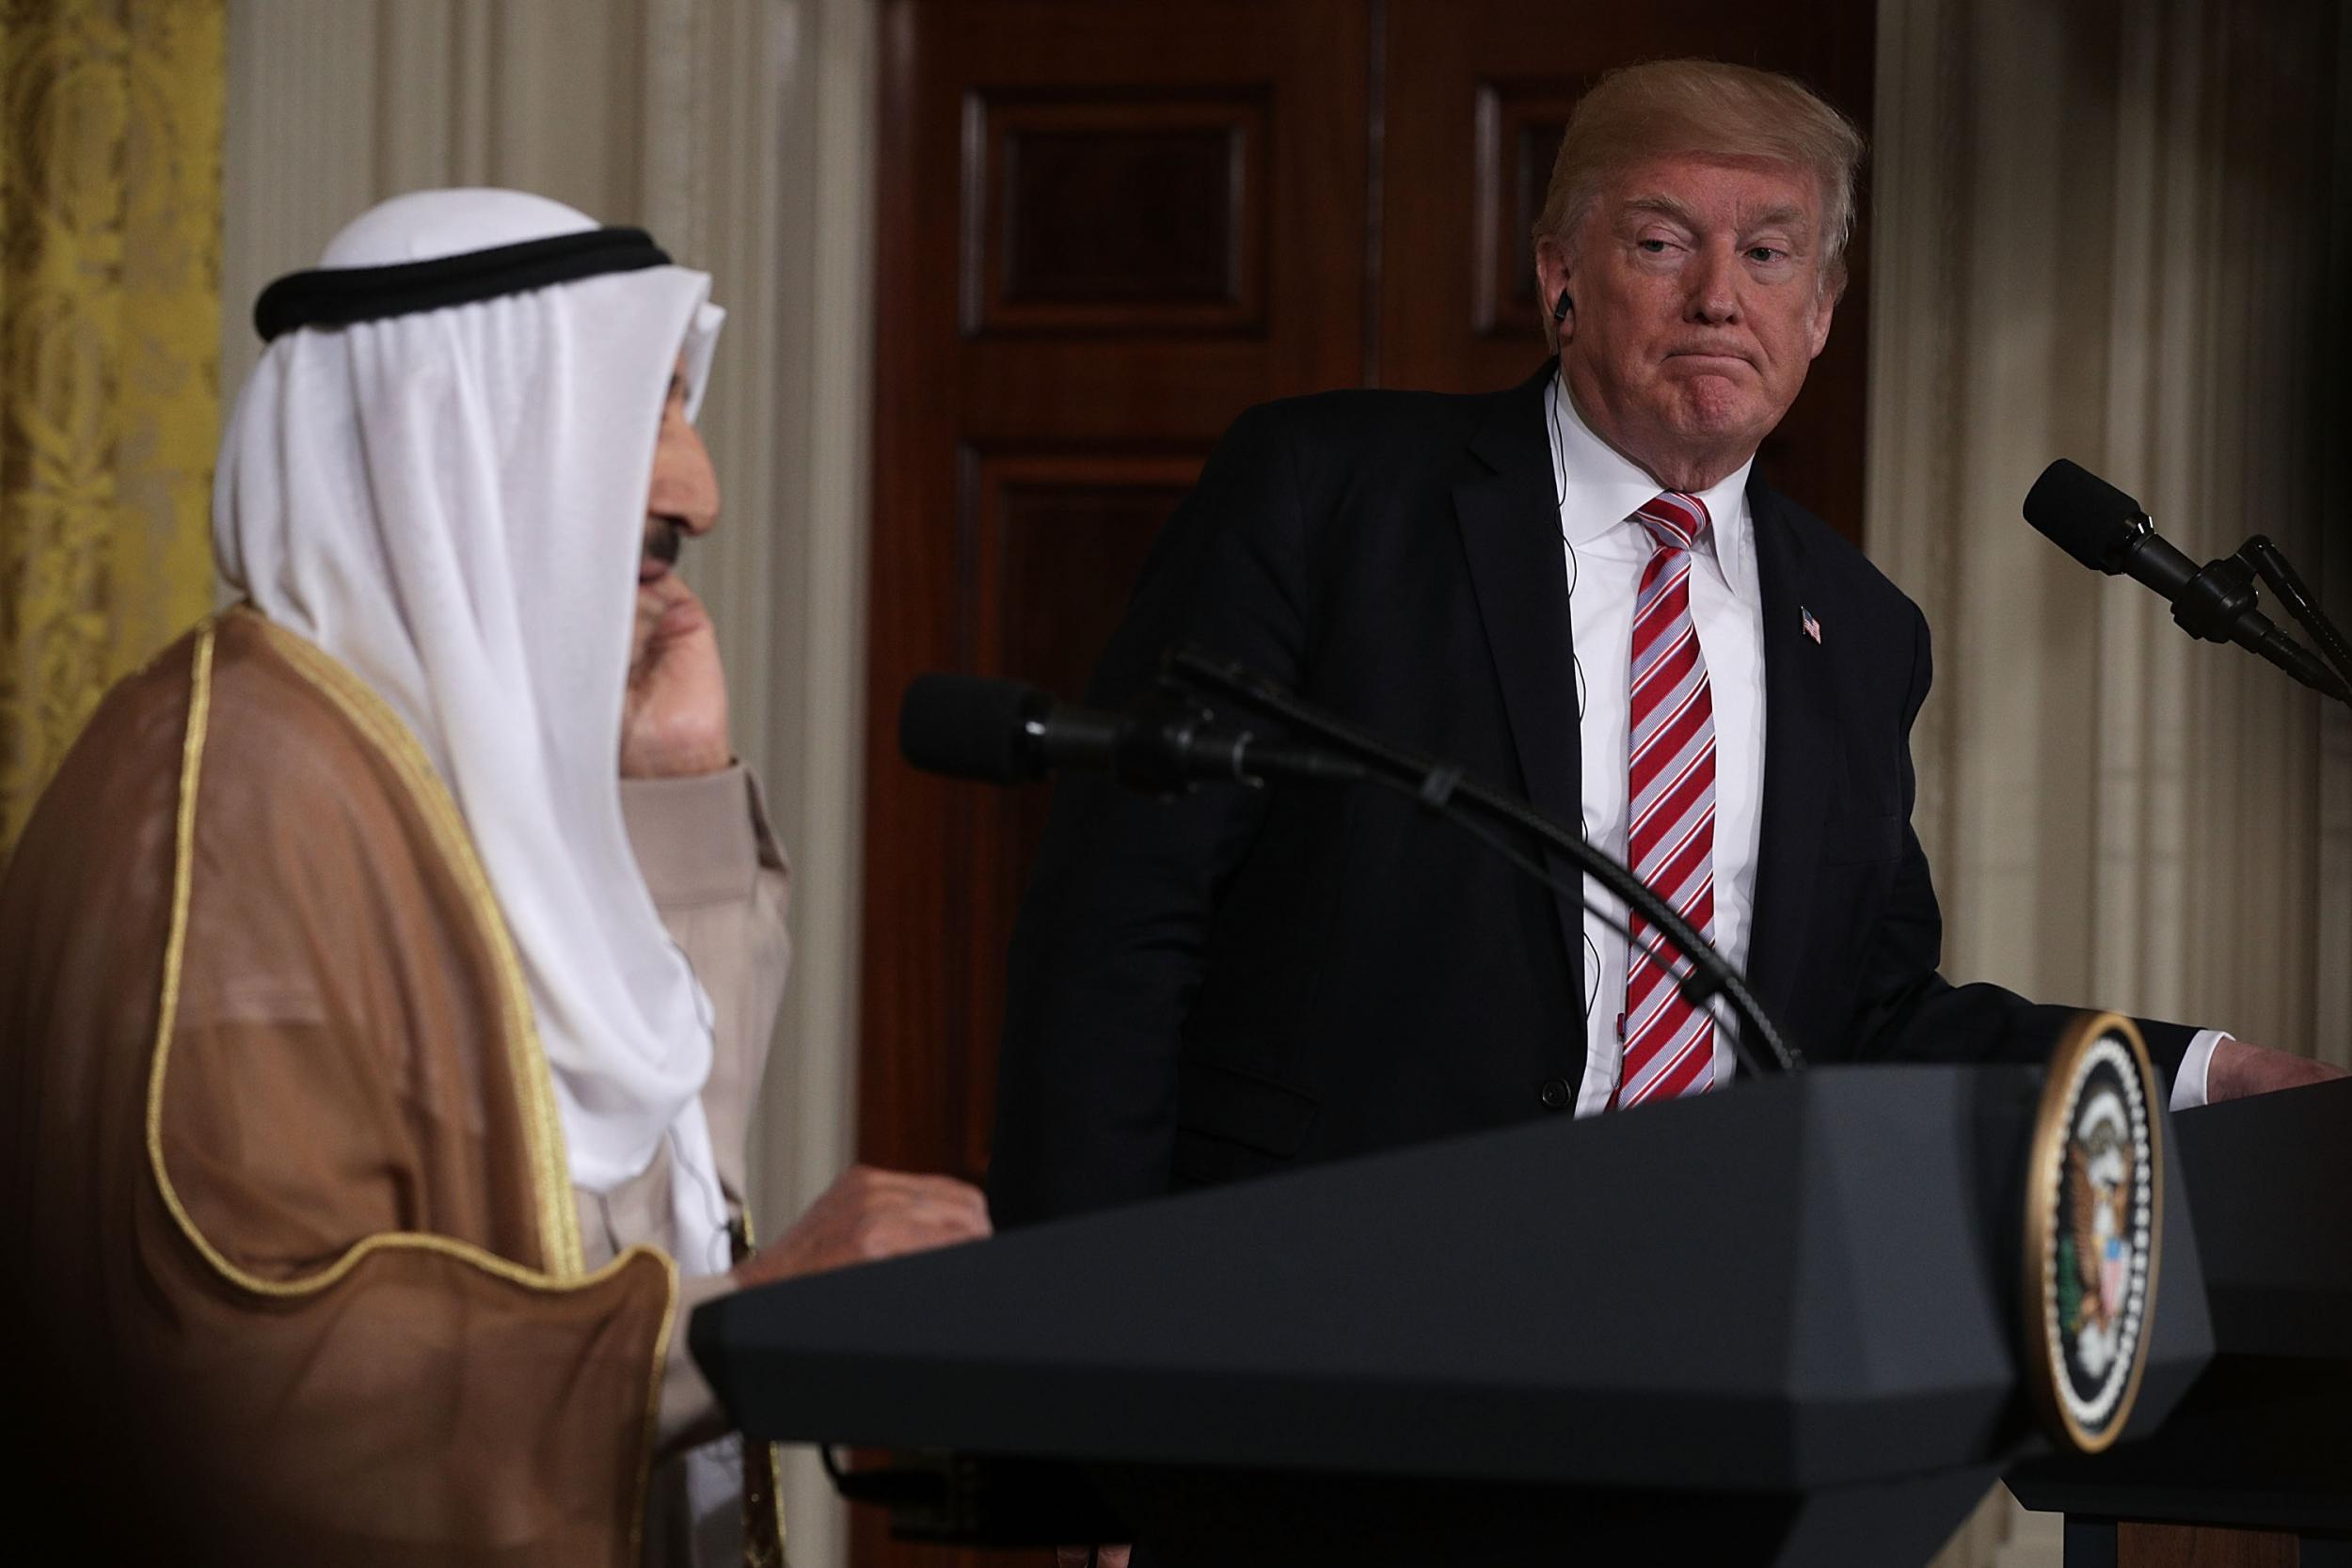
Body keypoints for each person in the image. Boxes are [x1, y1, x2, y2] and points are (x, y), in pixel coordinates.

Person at [987, 60, 2342, 1229]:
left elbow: (1864, 1022)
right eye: (1658, 242)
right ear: (1559, 276)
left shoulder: (1861, 631)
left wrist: (2209, 1076)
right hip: (1323, 1300)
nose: (1717, 298)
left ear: (1819, 310)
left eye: (1768, 252)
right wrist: (1092, 1394)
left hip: (1698, 1322)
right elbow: (1117, 935)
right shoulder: (1330, 497)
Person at [0, 189, 988, 1567]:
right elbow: (244, 1384)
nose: (696, 489)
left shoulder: (430, 764)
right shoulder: (233, 804)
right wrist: (739, 1329)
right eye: (639, 432)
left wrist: (670, 792)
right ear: (456, 460)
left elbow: (652, 1190)